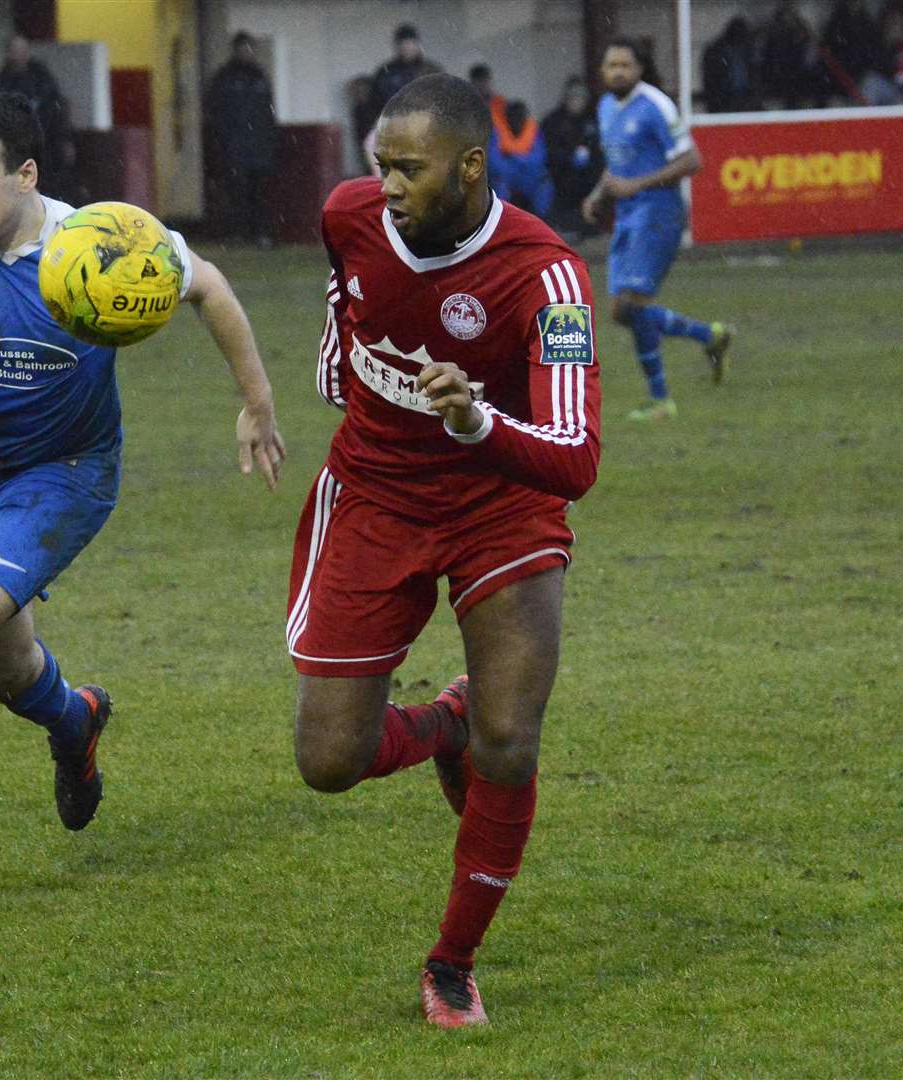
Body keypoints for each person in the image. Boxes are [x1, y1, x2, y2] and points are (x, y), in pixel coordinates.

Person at [0, 92, 286, 929]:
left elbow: (207, 286)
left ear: (26, 175)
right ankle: (77, 720)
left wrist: (257, 403)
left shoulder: (101, 241)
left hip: (67, 473)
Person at [297, 73, 600, 1028]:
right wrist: (333, 362)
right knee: (328, 762)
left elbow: (575, 457)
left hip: (499, 505)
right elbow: (345, 304)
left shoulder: (545, 275)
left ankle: (451, 964)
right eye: (379, 164)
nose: (384, 185)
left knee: (511, 740)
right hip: (377, 497)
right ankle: (439, 726)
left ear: (471, 167)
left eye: (408, 169)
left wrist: (474, 421)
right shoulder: (347, 216)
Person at [581, 38, 730, 421]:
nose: (618, 71)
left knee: (631, 306)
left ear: (639, 69)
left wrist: (637, 186)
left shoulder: (656, 106)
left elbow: (692, 160)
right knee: (620, 311)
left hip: (659, 212)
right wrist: (599, 194)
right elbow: (617, 165)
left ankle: (661, 400)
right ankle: (708, 336)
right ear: (602, 71)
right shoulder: (605, 107)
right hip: (630, 215)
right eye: (611, 65)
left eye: (625, 65)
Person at [204, 32, 278, 245]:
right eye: (243, 49)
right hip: (234, 146)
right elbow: (214, 113)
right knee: (237, 192)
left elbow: (268, 114)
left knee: (258, 192)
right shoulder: (225, 78)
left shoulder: (259, 77)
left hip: (258, 147)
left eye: (249, 49)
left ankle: (259, 233)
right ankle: (238, 233)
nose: (246, 53)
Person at [0, 35, 75, 199]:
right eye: (15, 50)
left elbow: (59, 110)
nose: (20, 54)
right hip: (19, 147)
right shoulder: (0, 83)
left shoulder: (42, 78)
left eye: (23, 50)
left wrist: (66, 139)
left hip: (49, 145)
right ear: (7, 53)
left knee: (53, 190)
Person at [362, 24, 442, 169]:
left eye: (410, 44)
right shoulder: (386, 72)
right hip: (391, 125)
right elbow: (373, 103)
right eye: (403, 45)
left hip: (425, 127)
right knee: (371, 145)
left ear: (417, 44)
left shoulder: (430, 70)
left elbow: (443, 102)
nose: (407, 48)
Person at [541, 77, 601, 236]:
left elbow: (600, 149)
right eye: (574, 97)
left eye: (581, 97)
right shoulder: (553, 120)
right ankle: (565, 228)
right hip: (561, 173)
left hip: (588, 174)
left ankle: (590, 227)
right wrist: (569, 158)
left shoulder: (592, 119)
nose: (577, 101)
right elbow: (549, 151)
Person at [487, 101, 552, 218]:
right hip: (506, 176)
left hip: (527, 176)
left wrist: (513, 157)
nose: (516, 120)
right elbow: (493, 162)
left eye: (520, 117)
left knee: (544, 185)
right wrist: (521, 160)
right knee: (500, 185)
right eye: (512, 117)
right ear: (506, 118)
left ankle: (541, 221)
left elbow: (539, 159)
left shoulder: (533, 129)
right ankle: (500, 221)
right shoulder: (497, 130)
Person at [701, 16, 761, 112]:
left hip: (747, 99)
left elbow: (755, 76)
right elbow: (711, 81)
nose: (741, 37)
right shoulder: (716, 51)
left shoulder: (748, 50)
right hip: (724, 100)